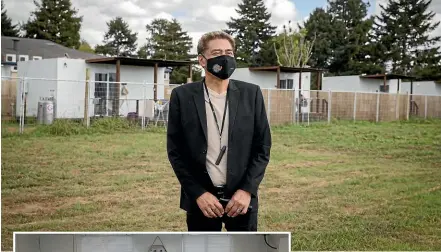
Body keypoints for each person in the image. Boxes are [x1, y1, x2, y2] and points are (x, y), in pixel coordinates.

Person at [166, 31, 271, 231]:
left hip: (241, 200)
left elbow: (262, 148)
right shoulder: (182, 96)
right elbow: (176, 152)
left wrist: (247, 191)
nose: (225, 57)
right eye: (217, 52)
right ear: (202, 60)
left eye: (229, 52)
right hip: (202, 202)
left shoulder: (252, 94)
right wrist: (198, 193)